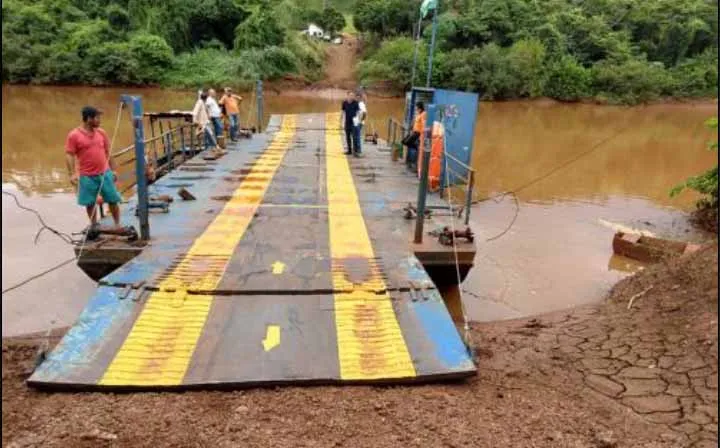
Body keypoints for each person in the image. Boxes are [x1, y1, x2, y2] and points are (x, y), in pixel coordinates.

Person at [65, 106, 122, 229]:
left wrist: (114, 170)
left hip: (105, 173)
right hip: (87, 176)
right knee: (90, 203)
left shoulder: (101, 133)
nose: (99, 120)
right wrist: (72, 174)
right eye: (97, 118)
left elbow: (108, 152)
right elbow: (69, 155)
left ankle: (117, 224)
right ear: (89, 119)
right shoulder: (74, 135)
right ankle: (94, 225)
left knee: (113, 199)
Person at [340, 91, 359, 155]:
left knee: (354, 137)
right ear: (347, 96)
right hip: (347, 122)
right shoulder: (344, 103)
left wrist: (357, 122)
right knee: (347, 137)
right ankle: (349, 150)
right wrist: (340, 122)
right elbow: (342, 112)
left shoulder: (356, 103)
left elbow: (358, 113)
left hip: (354, 122)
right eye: (350, 95)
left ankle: (355, 151)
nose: (352, 97)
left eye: (353, 95)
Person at [409, 101, 426, 173]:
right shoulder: (418, 114)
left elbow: (423, 125)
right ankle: (413, 162)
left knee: (410, 144)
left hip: (418, 133)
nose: (416, 109)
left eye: (417, 107)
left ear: (420, 108)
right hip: (415, 132)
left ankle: (415, 165)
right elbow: (416, 122)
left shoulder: (423, 114)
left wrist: (421, 136)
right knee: (407, 142)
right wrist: (412, 126)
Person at [352, 91, 367, 157]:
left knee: (357, 136)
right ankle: (355, 150)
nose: (357, 98)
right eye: (356, 97)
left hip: (359, 123)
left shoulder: (361, 104)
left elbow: (365, 113)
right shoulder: (355, 103)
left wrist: (361, 121)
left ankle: (359, 150)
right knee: (354, 136)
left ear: (360, 98)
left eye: (359, 97)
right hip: (354, 122)